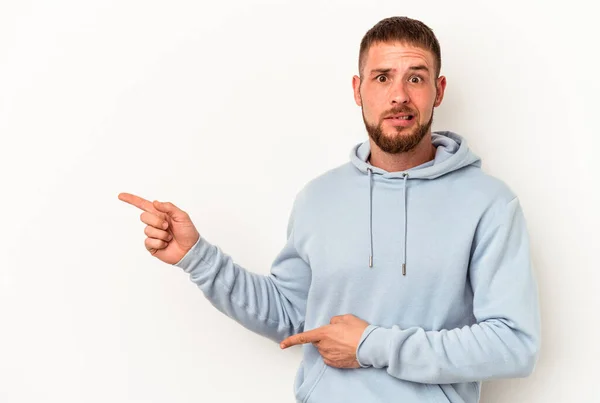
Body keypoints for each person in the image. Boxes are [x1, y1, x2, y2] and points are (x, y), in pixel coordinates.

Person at [118, 16, 541, 403]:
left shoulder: (488, 203)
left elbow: (513, 344)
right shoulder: (319, 198)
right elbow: (291, 316)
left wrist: (371, 345)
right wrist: (198, 258)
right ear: (358, 89)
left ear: (439, 90)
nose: (399, 95)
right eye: (382, 78)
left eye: (416, 77)